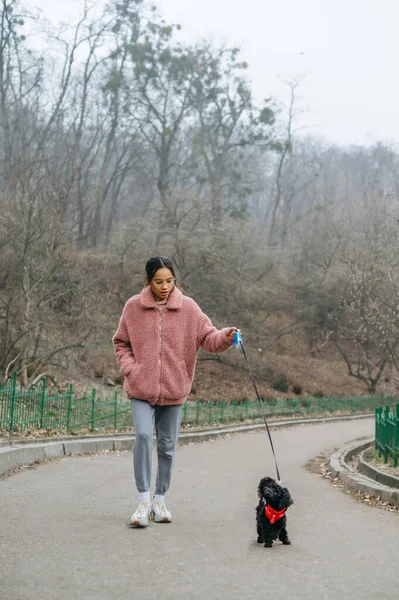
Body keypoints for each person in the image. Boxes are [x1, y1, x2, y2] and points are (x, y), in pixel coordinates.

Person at [112, 255, 238, 527]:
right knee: (144, 437)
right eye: (158, 281)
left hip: (173, 389)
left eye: (169, 280)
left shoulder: (189, 309)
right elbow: (121, 342)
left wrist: (226, 335)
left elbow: (209, 338)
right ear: (148, 281)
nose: (165, 286)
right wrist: (131, 368)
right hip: (140, 388)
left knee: (167, 448)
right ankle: (143, 502)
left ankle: (160, 500)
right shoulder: (133, 307)